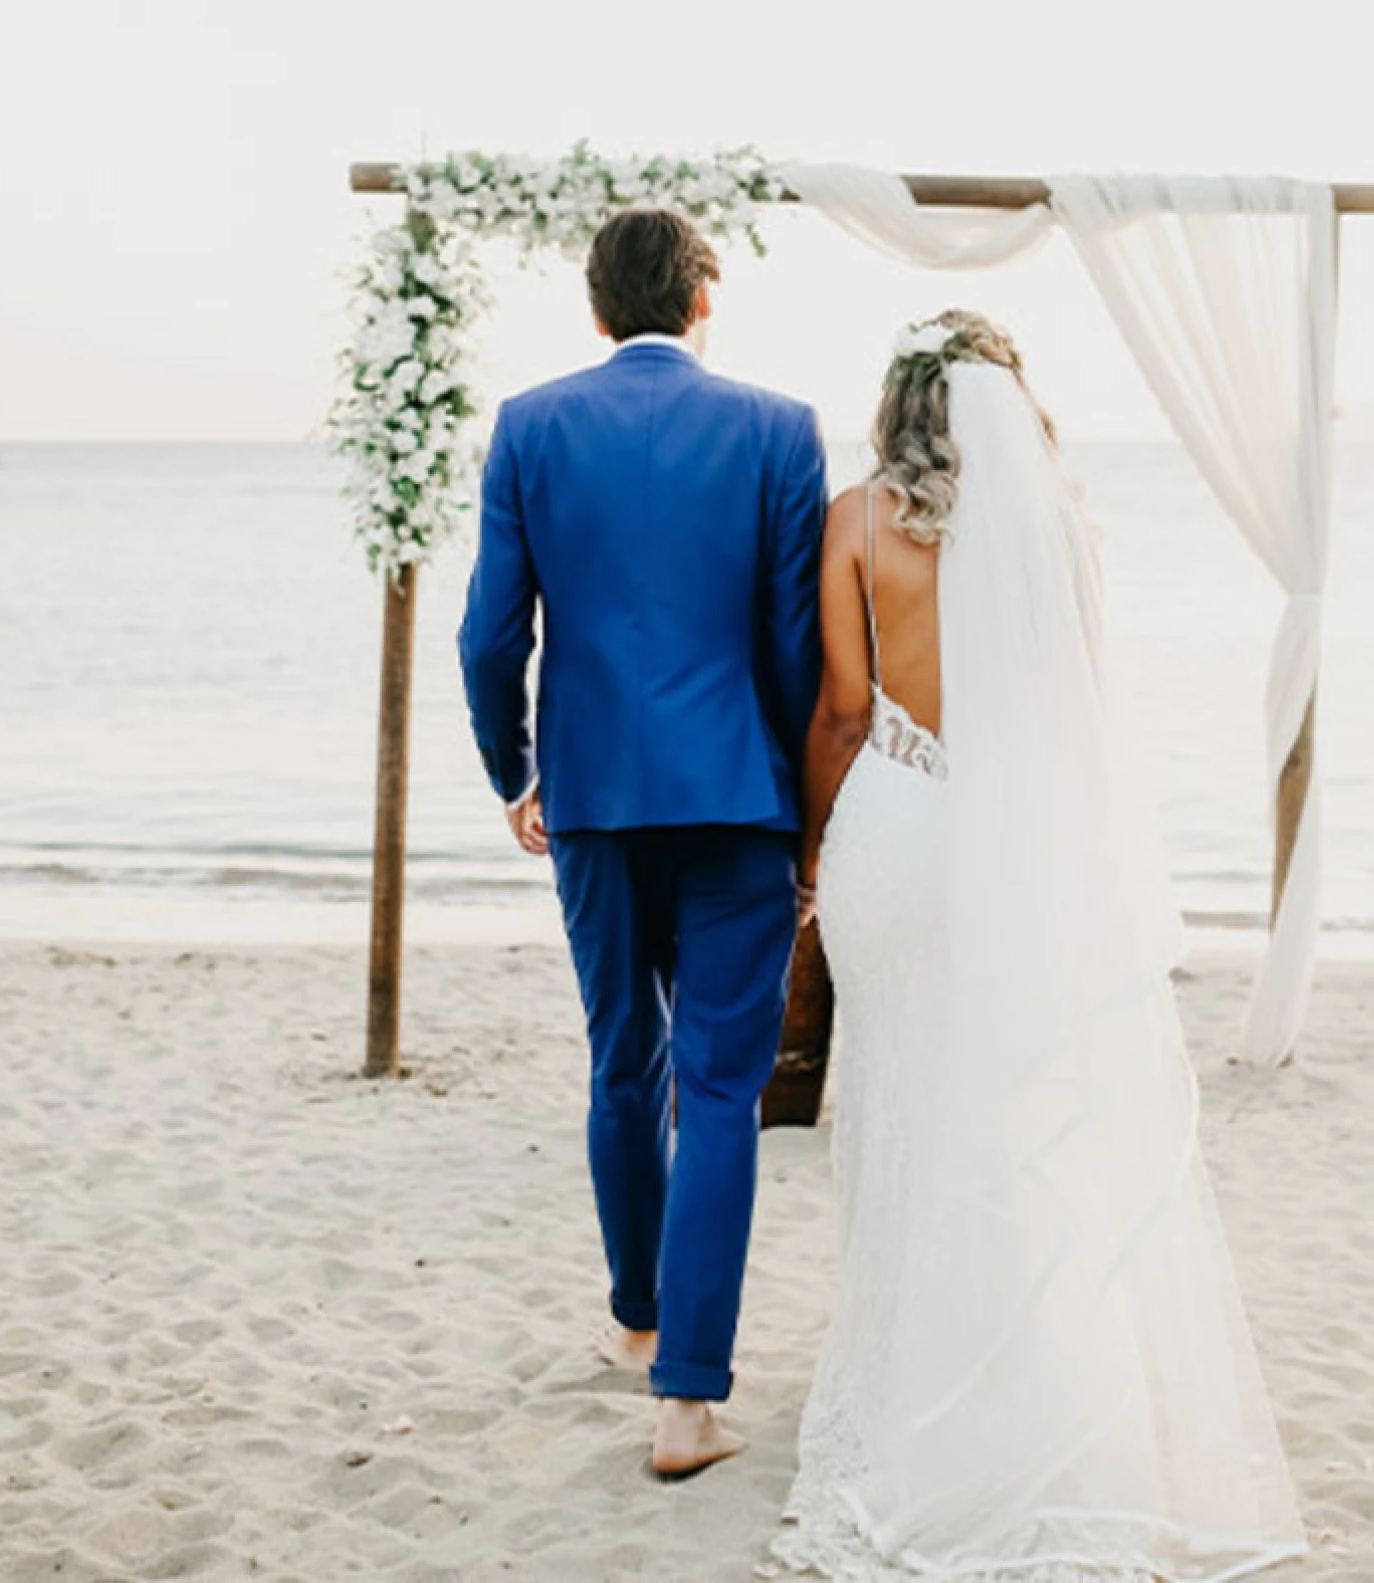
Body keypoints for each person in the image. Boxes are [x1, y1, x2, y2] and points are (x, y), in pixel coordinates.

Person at [774, 311, 1306, 1578]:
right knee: (1011, 1113)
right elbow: (1076, 716)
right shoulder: (1060, 529)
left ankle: (908, 1363)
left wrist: (805, 857)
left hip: (896, 836)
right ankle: (1022, 1369)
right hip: (1017, 843)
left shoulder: (852, 522)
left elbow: (845, 712)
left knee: (897, 1103)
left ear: (897, 400)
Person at [457, 208, 826, 1478]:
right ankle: (687, 1404)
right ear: (703, 299)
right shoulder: (779, 429)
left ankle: (636, 1319)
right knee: (720, 1091)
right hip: (739, 799)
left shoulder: (531, 425)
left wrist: (516, 768)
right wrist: (797, 797)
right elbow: (791, 641)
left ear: (598, 310)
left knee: (624, 1063)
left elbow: (488, 637)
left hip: (596, 800)